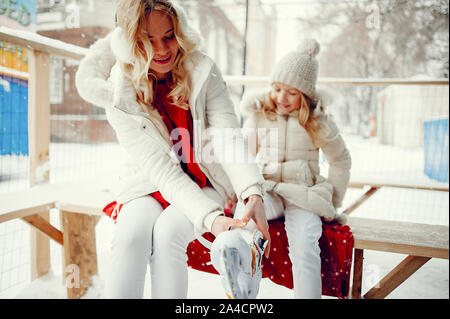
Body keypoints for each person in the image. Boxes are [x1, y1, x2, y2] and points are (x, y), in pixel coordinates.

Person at [75, 0, 270, 299]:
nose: (163, 50)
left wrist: (252, 191)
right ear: (130, 42)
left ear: (180, 30)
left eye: (169, 36)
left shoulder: (203, 70)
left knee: (168, 234)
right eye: (147, 41)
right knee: (131, 235)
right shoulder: (119, 91)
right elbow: (163, 172)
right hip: (149, 181)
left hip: (205, 177)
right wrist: (212, 220)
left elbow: (228, 137)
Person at [212, 38, 352, 299]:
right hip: (268, 189)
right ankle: (241, 290)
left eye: (291, 92)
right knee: (246, 225)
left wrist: (332, 200)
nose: (280, 98)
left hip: (304, 195)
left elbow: (341, 160)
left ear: (305, 95)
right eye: (276, 88)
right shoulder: (261, 113)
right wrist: (234, 191)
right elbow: (243, 155)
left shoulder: (318, 121)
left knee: (305, 244)